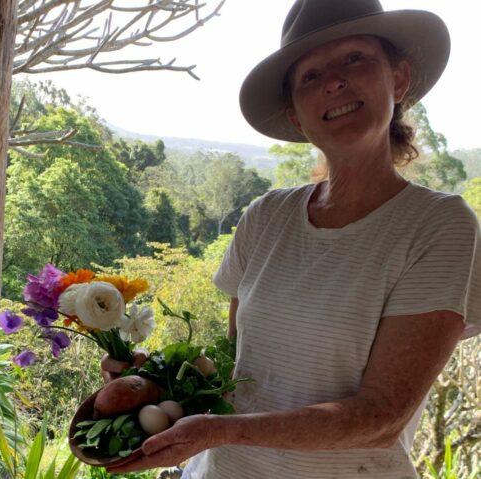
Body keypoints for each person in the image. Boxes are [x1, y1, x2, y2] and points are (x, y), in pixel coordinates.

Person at [102, 1, 481, 477]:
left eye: (355, 59)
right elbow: (237, 375)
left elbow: (382, 417)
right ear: (298, 117)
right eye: (310, 76)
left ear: (399, 79)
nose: (333, 82)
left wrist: (221, 430)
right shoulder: (265, 217)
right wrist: (152, 381)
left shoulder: (438, 224)